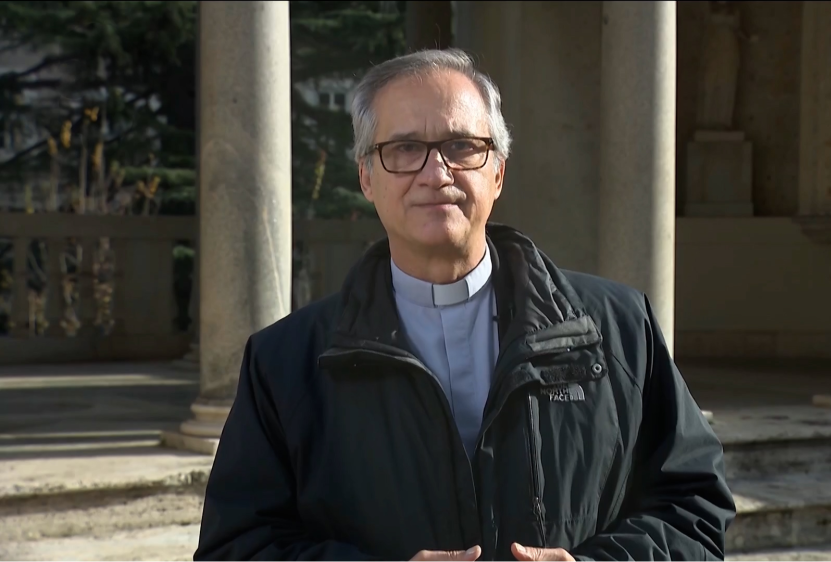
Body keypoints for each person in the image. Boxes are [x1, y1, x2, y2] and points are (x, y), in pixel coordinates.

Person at [195, 48, 736, 562]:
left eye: (461, 146)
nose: (436, 174)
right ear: (366, 176)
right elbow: (236, 544)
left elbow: (694, 506)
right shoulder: (286, 360)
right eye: (404, 149)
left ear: (497, 171)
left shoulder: (617, 328)